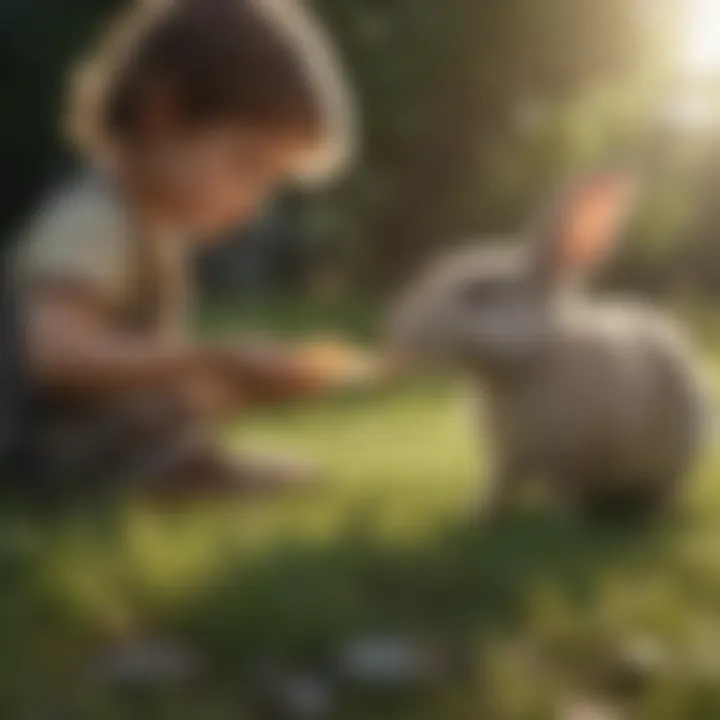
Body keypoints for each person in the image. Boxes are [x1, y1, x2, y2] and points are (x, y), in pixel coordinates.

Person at [16, 0, 359, 502]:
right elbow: (48, 351)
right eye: (247, 165)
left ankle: (191, 467)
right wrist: (212, 357)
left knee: (188, 401)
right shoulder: (93, 220)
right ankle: (180, 475)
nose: (255, 202)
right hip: (42, 453)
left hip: (84, 441)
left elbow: (137, 377)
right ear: (164, 115)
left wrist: (244, 383)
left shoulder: (149, 233)